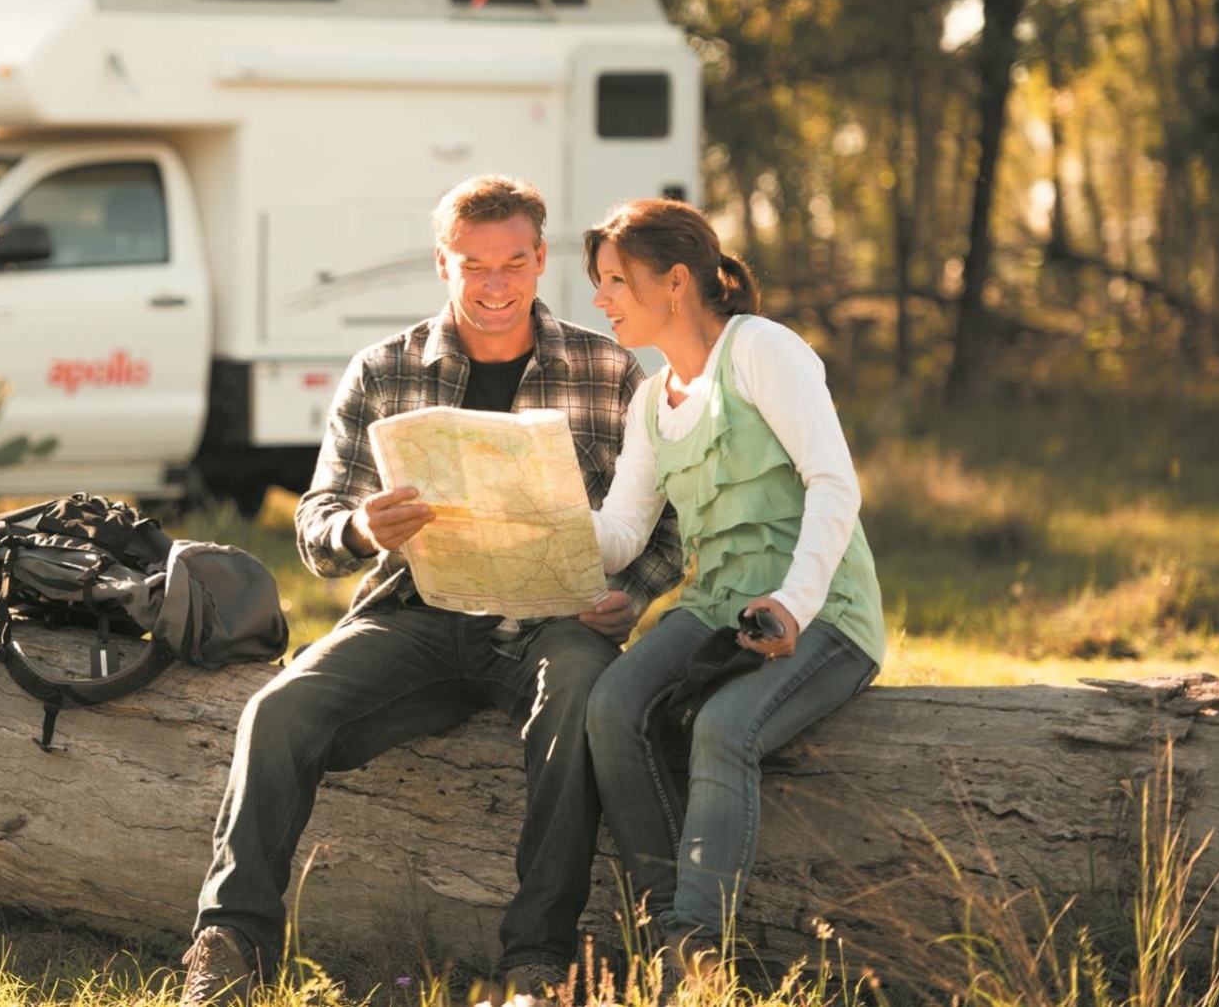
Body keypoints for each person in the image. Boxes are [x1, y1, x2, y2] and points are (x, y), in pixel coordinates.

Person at [178, 176, 684, 1006]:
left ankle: (538, 962)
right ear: (443, 264)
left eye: (513, 264)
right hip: (416, 616)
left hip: (557, 621)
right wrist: (364, 530)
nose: (495, 286)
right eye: (474, 265)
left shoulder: (609, 369)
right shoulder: (382, 370)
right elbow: (317, 526)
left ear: (537, 261)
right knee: (278, 710)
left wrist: (629, 595)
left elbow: (664, 528)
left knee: (584, 692)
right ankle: (229, 945)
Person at [580, 198, 886, 978]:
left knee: (724, 726)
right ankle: (664, 930)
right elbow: (619, 532)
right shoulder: (652, 401)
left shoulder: (762, 350)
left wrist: (793, 602)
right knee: (613, 706)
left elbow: (833, 482)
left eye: (615, 280)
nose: (600, 299)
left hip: (821, 611)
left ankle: (697, 945)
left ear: (675, 282)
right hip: (716, 606)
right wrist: (525, 521)